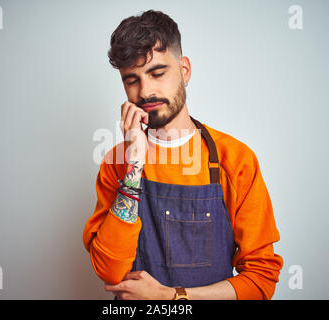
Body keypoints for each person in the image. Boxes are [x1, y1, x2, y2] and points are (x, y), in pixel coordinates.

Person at [83, 10, 283, 300]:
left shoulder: (235, 159)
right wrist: (134, 164)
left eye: (157, 73)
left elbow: (261, 280)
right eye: (131, 80)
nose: (145, 91)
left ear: (184, 70)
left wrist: (173, 298)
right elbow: (110, 271)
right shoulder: (117, 163)